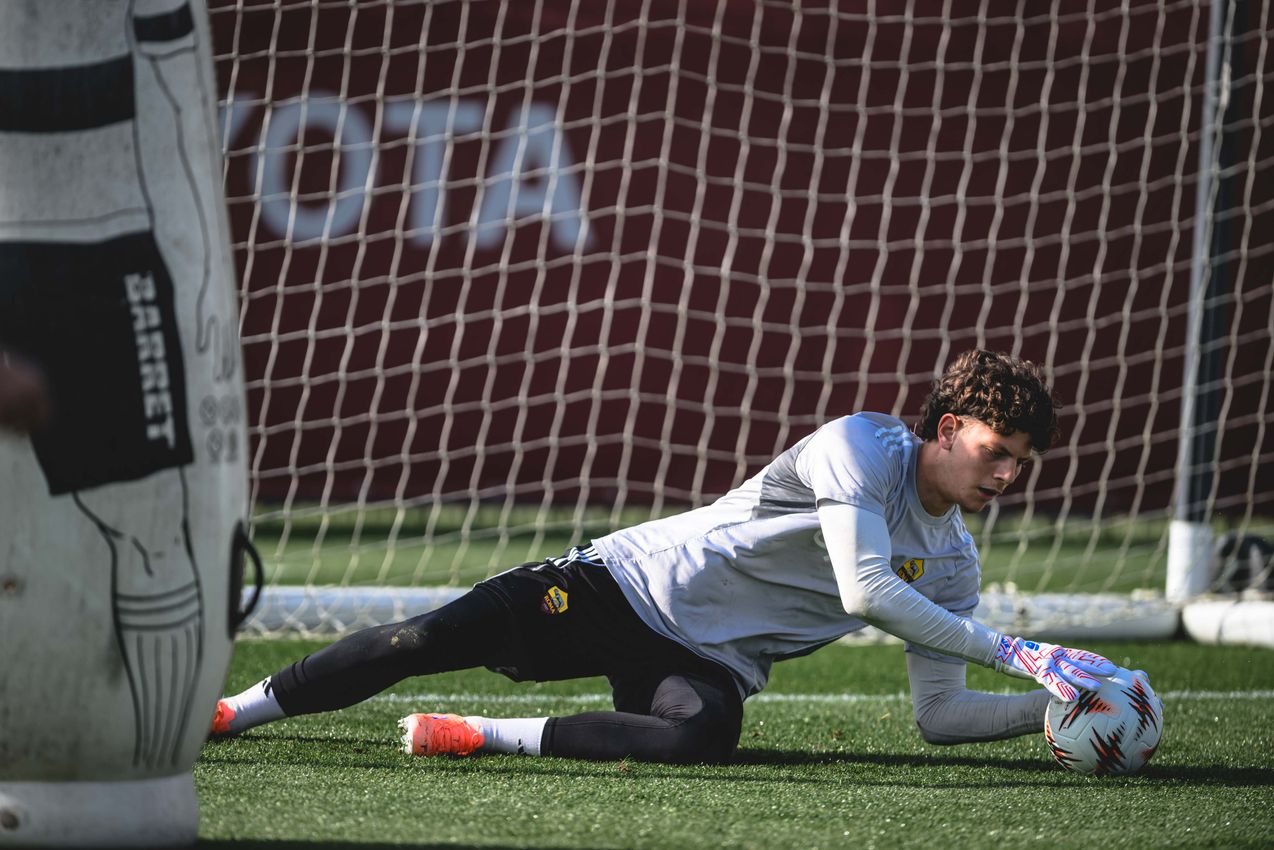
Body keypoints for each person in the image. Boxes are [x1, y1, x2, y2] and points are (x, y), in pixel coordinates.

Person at [212, 349, 1118, 764]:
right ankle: (230, 713)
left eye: (1021, 465)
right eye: (995, 451)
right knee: (413, 642)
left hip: (705, 660)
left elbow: (940, 717)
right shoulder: (860, 446)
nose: (1005, 475)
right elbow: (865, 588)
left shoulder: (955, 564)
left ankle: (474, 735)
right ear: (949, 429)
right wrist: (1017, 649)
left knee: (699, 734)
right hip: (620, 585)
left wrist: (1051, 704)